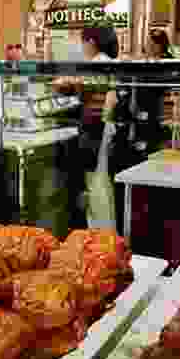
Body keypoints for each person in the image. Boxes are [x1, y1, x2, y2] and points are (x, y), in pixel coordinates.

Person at [53, 26, 120, 231]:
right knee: (100, 183)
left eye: (82, 42)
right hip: (102, 128)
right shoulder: (108, 62)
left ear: (91, 42)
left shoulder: (98, 62)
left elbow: (73, 85)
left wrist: (61, 82)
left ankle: (100, 234)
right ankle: (103, 231)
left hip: (95, 129)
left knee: (95, 184)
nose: (82, 47)